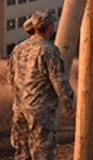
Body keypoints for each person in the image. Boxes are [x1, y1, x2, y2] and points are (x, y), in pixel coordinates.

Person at [7, 10, 75, 160]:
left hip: (19, 109)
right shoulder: (49, 50)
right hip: (41, 111)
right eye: (52, 24)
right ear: (49, 27)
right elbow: (59, 80)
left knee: (22, 153)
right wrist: (69, 103)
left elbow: (10, 77)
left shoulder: (18, 49)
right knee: (42, 152)